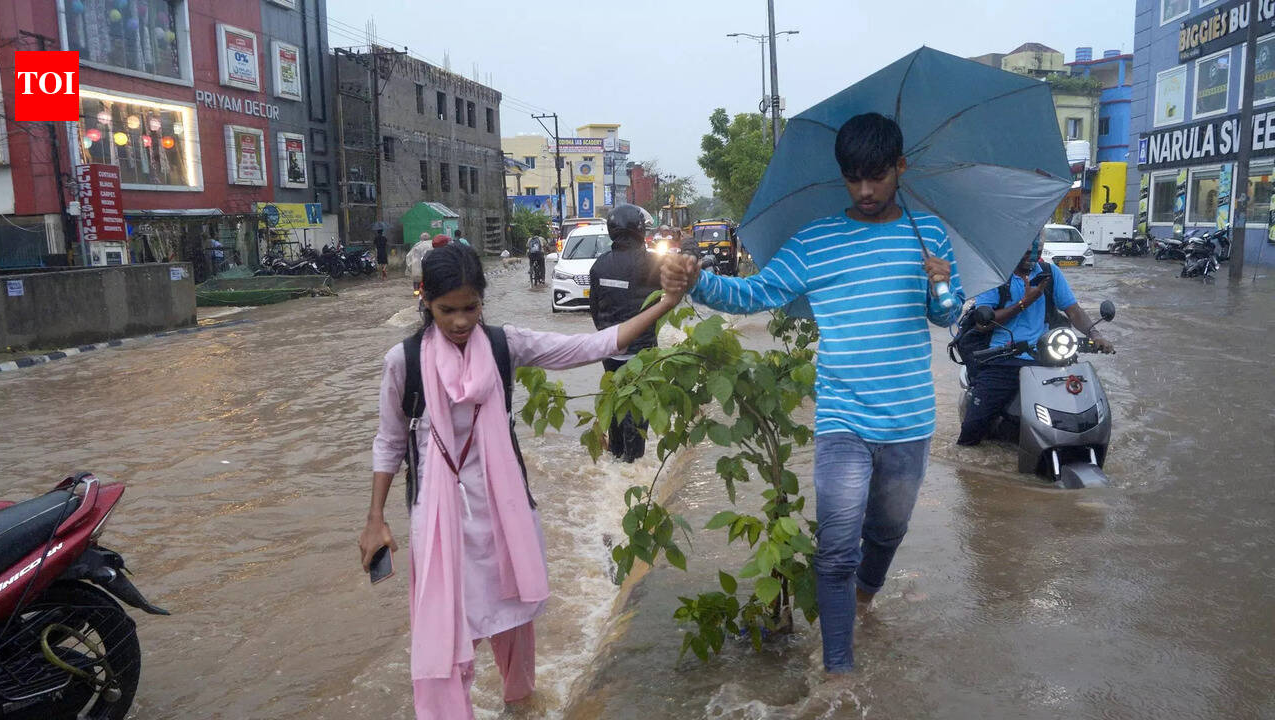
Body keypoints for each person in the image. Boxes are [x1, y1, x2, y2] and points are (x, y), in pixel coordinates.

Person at [661, 112, 963, 674]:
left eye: (877, 176)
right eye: (854, 179)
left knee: (888, 530)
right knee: (836, 546)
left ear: (901, 166)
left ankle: (866, 599)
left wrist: (941, 282)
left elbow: (948, 317)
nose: (866, 191)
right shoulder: (817, 242)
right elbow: (755, 294)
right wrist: (697, 279)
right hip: (843, 418)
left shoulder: (929, 235)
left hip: (911, 420)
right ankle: (838, 671)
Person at [359, 242, 683, 719]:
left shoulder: (501, 345)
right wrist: (374, 519)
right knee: (443, 635)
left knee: (513, 626)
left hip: (503, 515)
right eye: (447, 310)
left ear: (482, 302)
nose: (460, 322)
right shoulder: (402, 363)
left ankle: (522, 705)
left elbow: (590, 346)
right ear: (424, 300)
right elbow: (389, 443)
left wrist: (667, 303)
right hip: (440, 526)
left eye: (471, 308)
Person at [955, 235, 1114, 446]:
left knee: (1077, 409)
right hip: (1003, 359)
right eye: (1027, 252)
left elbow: (1073, 311)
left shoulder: (1049, 273)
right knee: (972, 430)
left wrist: (1095, 335)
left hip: (1045, 359)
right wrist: (1024, 303)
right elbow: (984, 323)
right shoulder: (998, 277)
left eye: (1037, 253)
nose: (1032, 258)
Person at [589, 204, 658, 463]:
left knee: (616, 402)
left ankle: (616, 459)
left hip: (610, 350)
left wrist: (609, 338)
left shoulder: (599, 265)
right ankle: (634, 469)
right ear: (639, 229)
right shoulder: (652, 263)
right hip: (643, 354)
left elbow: (594, 310)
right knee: (638, 412)